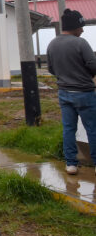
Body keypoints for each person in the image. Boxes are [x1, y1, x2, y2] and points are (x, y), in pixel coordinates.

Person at [46, 9, 96, 175]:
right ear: (74, 26)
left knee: (68, 129)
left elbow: (51, 69)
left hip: (64, 93)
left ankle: (71, 164)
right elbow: (93, 65)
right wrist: (86, 75)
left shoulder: (52, 44)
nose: (82, 30)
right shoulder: (81, 43)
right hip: (84, 93)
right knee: (93, 129)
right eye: (80, 26)